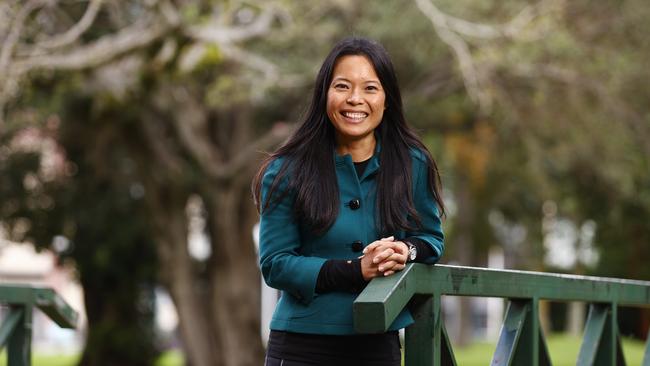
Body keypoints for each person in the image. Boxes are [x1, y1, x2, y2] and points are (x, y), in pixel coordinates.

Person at [252, 36, 445, 366]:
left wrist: (405, 250)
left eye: (370, 88)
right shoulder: (286, 171)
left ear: (387, 100)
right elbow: (275, 263)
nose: (355, 99)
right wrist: (356, 270)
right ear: (324, 93)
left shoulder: (412, 164)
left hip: (377, 341)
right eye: (343, 86)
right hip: (302, 345)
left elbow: (431, 239)